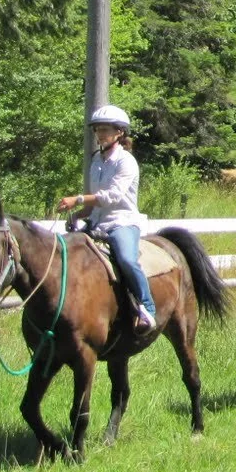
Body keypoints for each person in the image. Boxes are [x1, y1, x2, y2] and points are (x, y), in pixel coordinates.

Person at [57, 105, 156, 333]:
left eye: (105, 130)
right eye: (98, 130)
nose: (100, 134)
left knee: (126, 259)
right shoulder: (97, 161)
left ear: (119, 132)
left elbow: (112, 197)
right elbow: (97, 202)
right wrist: (78, 214)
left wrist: (78, 199)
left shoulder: (126, 161)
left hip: (122, 222)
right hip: (98, 222)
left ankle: (147, 308)